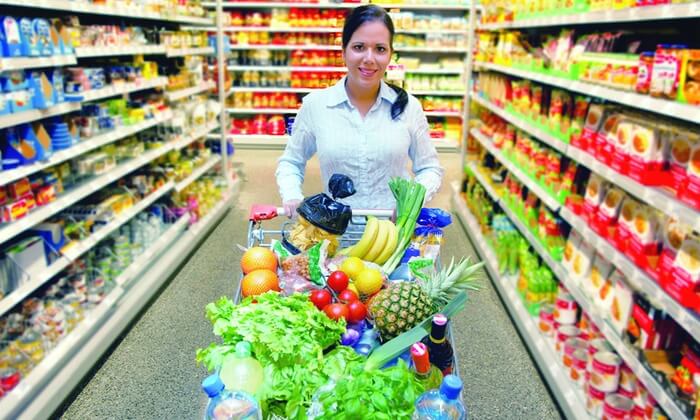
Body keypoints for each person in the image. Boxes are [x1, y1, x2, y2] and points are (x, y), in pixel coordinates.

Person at [275, 4, 444, 218]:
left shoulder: (409, 107)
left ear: (390, 55)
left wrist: (411, 201)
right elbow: (291, 161)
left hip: (393, 233)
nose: (369, 58)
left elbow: (430, 169)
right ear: (343, 52)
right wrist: (292, 194)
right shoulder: (316, 105)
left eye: (380, 49)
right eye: (359, 47)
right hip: (336, 234)